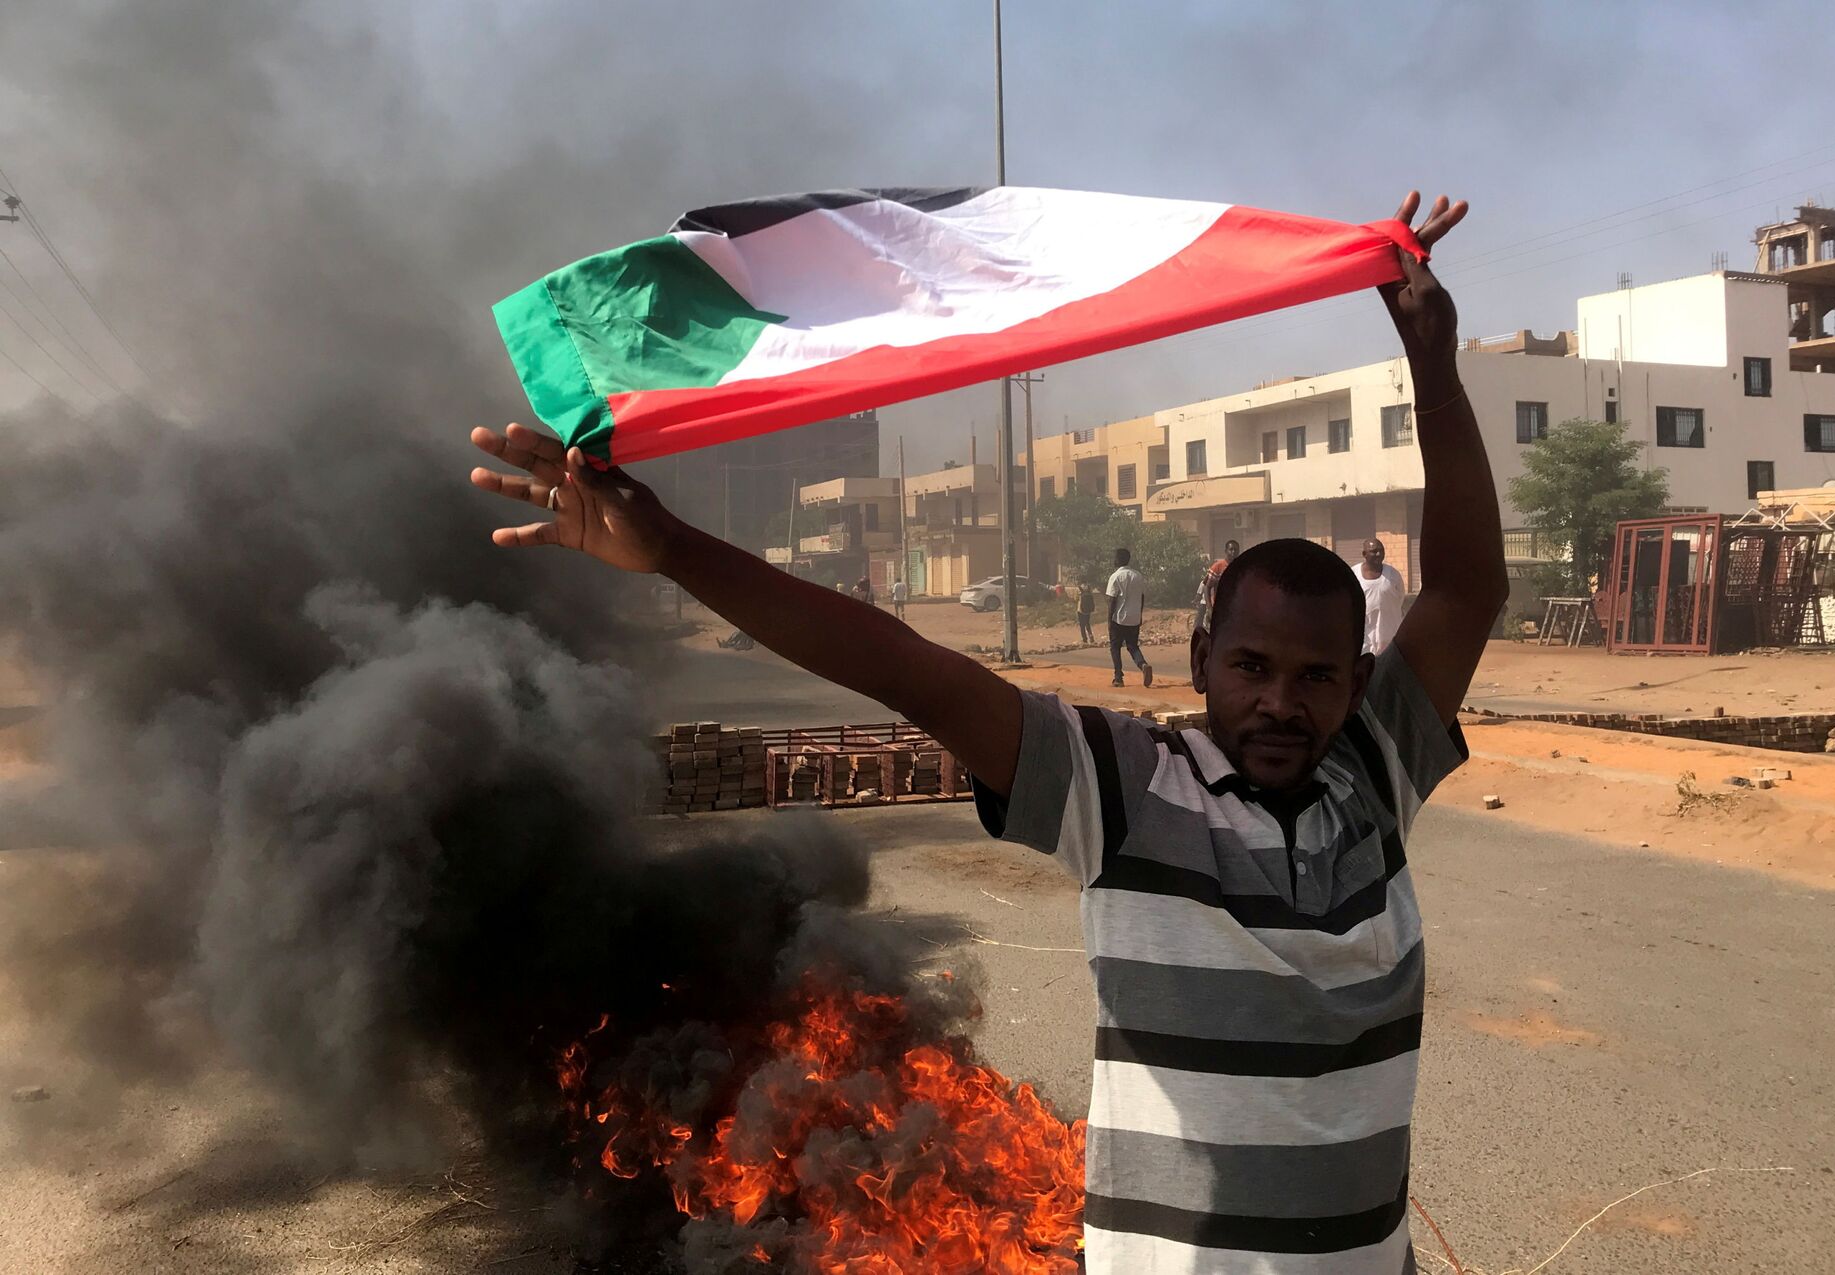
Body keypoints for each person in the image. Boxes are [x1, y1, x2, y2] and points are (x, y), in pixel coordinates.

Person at [470, 191, 1501, 1275]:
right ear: (1199, 663)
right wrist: (674, 546)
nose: (1281, 703)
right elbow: (905, 667)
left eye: (1314, 677)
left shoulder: (1375, 776)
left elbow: (1471, 585)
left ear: (1358, 685)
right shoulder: (1126, 787)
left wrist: (1433, 359)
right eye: (1250, 667)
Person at [1104, 547, 1151, 688]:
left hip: (1119, 618)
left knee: (1115, 647)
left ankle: (1118, 677)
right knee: (1132, 646)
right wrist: (1139, 614)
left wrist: (1109, 620)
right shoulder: (1138, 576)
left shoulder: (1115, 577)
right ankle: (1143, 664)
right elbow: (1141, 598)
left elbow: (1111, 600)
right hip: (1134, 617)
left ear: (1118, 560)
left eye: (1114, 557)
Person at [1354, 537, 1408, 655]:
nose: (1378, 554)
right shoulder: (1354, 576)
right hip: (1365, 643)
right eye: (1374, 551)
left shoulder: (1393, 575)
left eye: (1381, 550)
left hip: (1390, 641)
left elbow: (1400, 599)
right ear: (1364, 554)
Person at [1194, 537, 1242, 631]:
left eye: (1235, 550)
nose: (1233, 552)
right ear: (1226, 551)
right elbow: (1207, 587)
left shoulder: (1240, 567)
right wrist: (1209, 608)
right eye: (1231, 549)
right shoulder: (1218, 567)